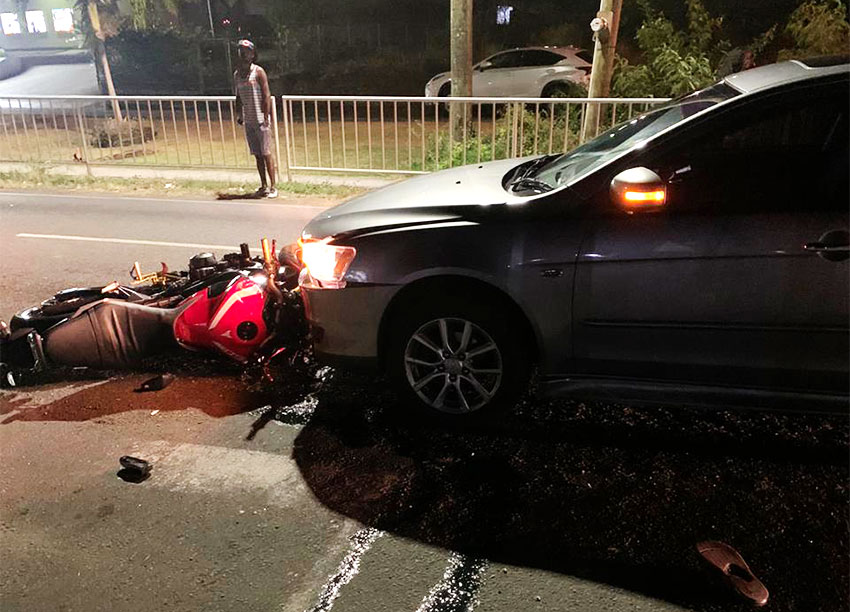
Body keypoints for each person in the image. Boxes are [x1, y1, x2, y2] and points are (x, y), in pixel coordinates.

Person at [234, 39, 277, 198]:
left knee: (266, 153)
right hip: (249, 120)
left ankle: (273, 186)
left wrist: (266, 116)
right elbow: (238, 97)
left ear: (252, 54)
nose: (242, 54)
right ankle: (263, 185)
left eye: (245, 51)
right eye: (240, 51)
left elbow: (266, 94)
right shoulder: (237, 75)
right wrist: (239, 114)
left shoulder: (258, 72)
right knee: (257, 154)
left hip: (261, 119)